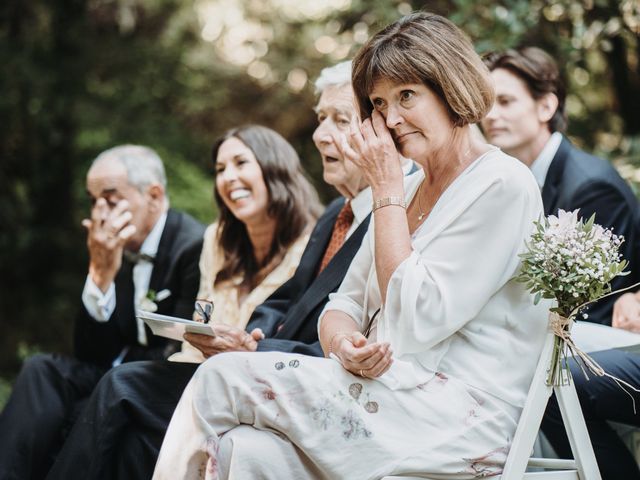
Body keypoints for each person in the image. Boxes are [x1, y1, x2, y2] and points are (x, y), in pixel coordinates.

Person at [152, 12, 549, 479]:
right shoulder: (412, 186)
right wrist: (343, 345)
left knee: (220, 378)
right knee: (246, 451)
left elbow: (418, 321)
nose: (391, 118)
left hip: (461, 415)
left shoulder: (503, 184)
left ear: (451, 88)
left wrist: (384, 189)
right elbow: (343, 302)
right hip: (385, 393)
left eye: (406, 96)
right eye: (379, 104)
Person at [45, 61, 397, 480]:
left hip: (296, 382)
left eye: (340, 120)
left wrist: (255, 351)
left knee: (122, 386)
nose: (321, 134)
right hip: (247, 362)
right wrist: (251, 334)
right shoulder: (334, 216)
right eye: (321, 119)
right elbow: (288, 300)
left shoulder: (387, 215)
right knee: (128, 436)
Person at [0, 145, 206, 480]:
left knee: (72, 416)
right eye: (93, 200)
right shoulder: (113, 243)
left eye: (110, 199)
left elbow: (181, 349)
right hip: (112, 371)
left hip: (153, 384)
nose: (99, 212)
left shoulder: (194, 247)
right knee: (41, 369)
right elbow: (91, 353)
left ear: (154, 196)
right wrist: (100, 273)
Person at [481, 46, 640, 326]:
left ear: (546, 107)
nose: (491, 115)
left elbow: (594, 308)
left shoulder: (592, 188)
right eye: (487, 103)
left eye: (505, 102)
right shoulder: (510, 180)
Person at [169, 124, 322, 363]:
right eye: (220, 169)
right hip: (199, 370)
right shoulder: (217, 239)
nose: (228, 177)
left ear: (275, 168)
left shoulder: (313, 245)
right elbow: (200, 320)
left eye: (241, 163)